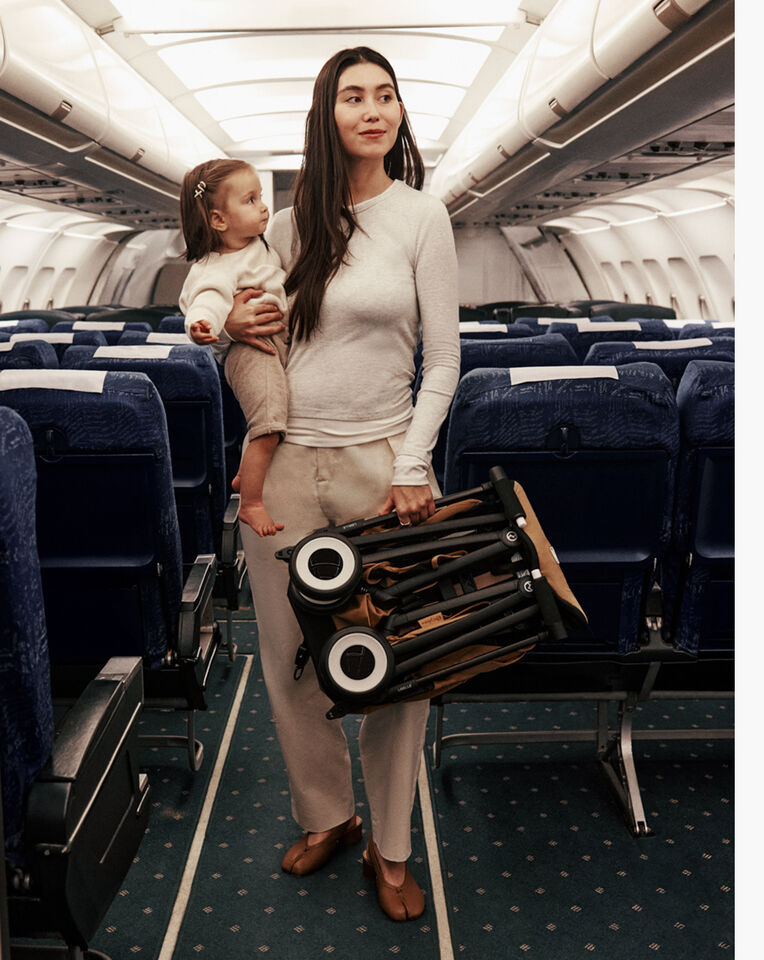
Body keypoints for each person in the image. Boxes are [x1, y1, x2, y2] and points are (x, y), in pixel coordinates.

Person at [219, 47, 460, 923]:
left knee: (399, 663)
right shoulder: (282, 228)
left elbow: (445, 361)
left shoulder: (421, 217)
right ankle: (329, 815)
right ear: (328, 115)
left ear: (399, 113)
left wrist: (411, 465)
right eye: (353, 96)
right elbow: (242, 335)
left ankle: (393, 849)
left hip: (380, 466)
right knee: (293, 664)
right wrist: (229, 330)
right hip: (284, 467)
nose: (373, 109)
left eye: (385, 95)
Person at [177, 159, 289, 538]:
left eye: (260, 196)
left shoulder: (258, 244)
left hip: (271, 342)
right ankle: (251, 503)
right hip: (250, 351)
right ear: (219, 220)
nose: (263, 206)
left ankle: (246, 472)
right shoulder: (218, 265)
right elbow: (207, 298)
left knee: (269, 416)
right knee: (270, 423)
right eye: (250, 199)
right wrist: (204, 324)